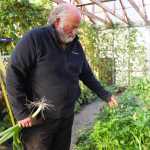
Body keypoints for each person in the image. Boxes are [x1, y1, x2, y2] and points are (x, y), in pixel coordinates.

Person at [6, 3, 118, 150]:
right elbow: (14, 74)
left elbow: (86, 74)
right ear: (58, 22)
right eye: (73, 26)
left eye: (77, 27)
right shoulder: (35, 39)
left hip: (66, 116)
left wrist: (106, 95)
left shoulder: (75, 46)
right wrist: (21, 112)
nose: (75, 32)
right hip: (39, 121)